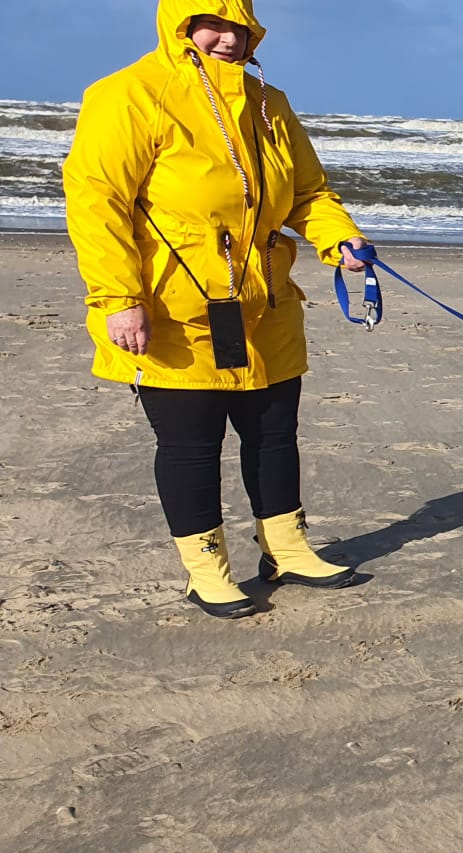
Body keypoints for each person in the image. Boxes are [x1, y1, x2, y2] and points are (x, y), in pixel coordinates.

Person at [64, 0, 372, 618]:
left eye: (239, 27)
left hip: (266, 302)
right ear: (180, 23)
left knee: (273, 434)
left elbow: (308, 193)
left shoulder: (269, 103)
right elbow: (98, 204)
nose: (228, 39)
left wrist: (339, 238)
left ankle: (286, 549)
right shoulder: (128, 94)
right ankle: (206, 570)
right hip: (174, 309)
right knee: (192, 444)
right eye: (213, 24)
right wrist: (119, 298)